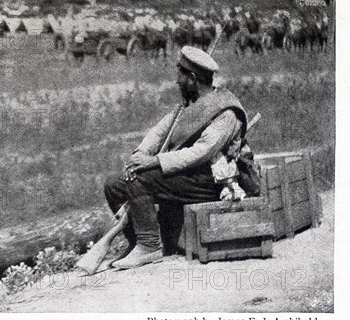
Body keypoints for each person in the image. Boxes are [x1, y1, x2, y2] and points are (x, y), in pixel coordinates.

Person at [104, 46, 248, 270]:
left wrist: (154, 163)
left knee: (141, 180)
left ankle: (150, 247)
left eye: (179, 76)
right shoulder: (189, 106)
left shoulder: (226, 111)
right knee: (114, 185)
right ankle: (139, 243)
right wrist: (140, 156)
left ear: (191, 78)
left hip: (211, 180)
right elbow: (159, 132)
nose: (176, 81)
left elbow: (202, 152)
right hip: (186, 176)